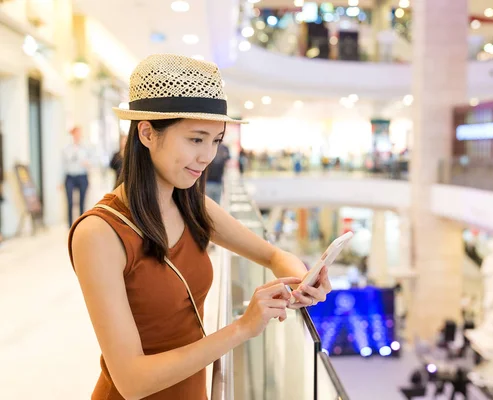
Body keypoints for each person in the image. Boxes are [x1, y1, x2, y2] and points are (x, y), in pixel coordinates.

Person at [68, 55, 332, 400]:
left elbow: (273, 254)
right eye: (196, 139)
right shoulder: (99, 233)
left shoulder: (191, 203)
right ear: (147, 132)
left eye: (216, 140)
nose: (208, 156)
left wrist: (300, 284)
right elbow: (131, 382)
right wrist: (242, 328)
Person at [62, 126, 91, 226]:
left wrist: (88, 163)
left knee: (82, 202)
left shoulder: (86, 147)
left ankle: (80, 224)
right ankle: (70, 225)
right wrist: (60, 181)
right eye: (75, 133)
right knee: (70, 202)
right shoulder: (66, 148)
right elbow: (63, 165)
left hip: (82, 176)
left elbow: (93, 160)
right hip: (70, 176)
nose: (77, 136)